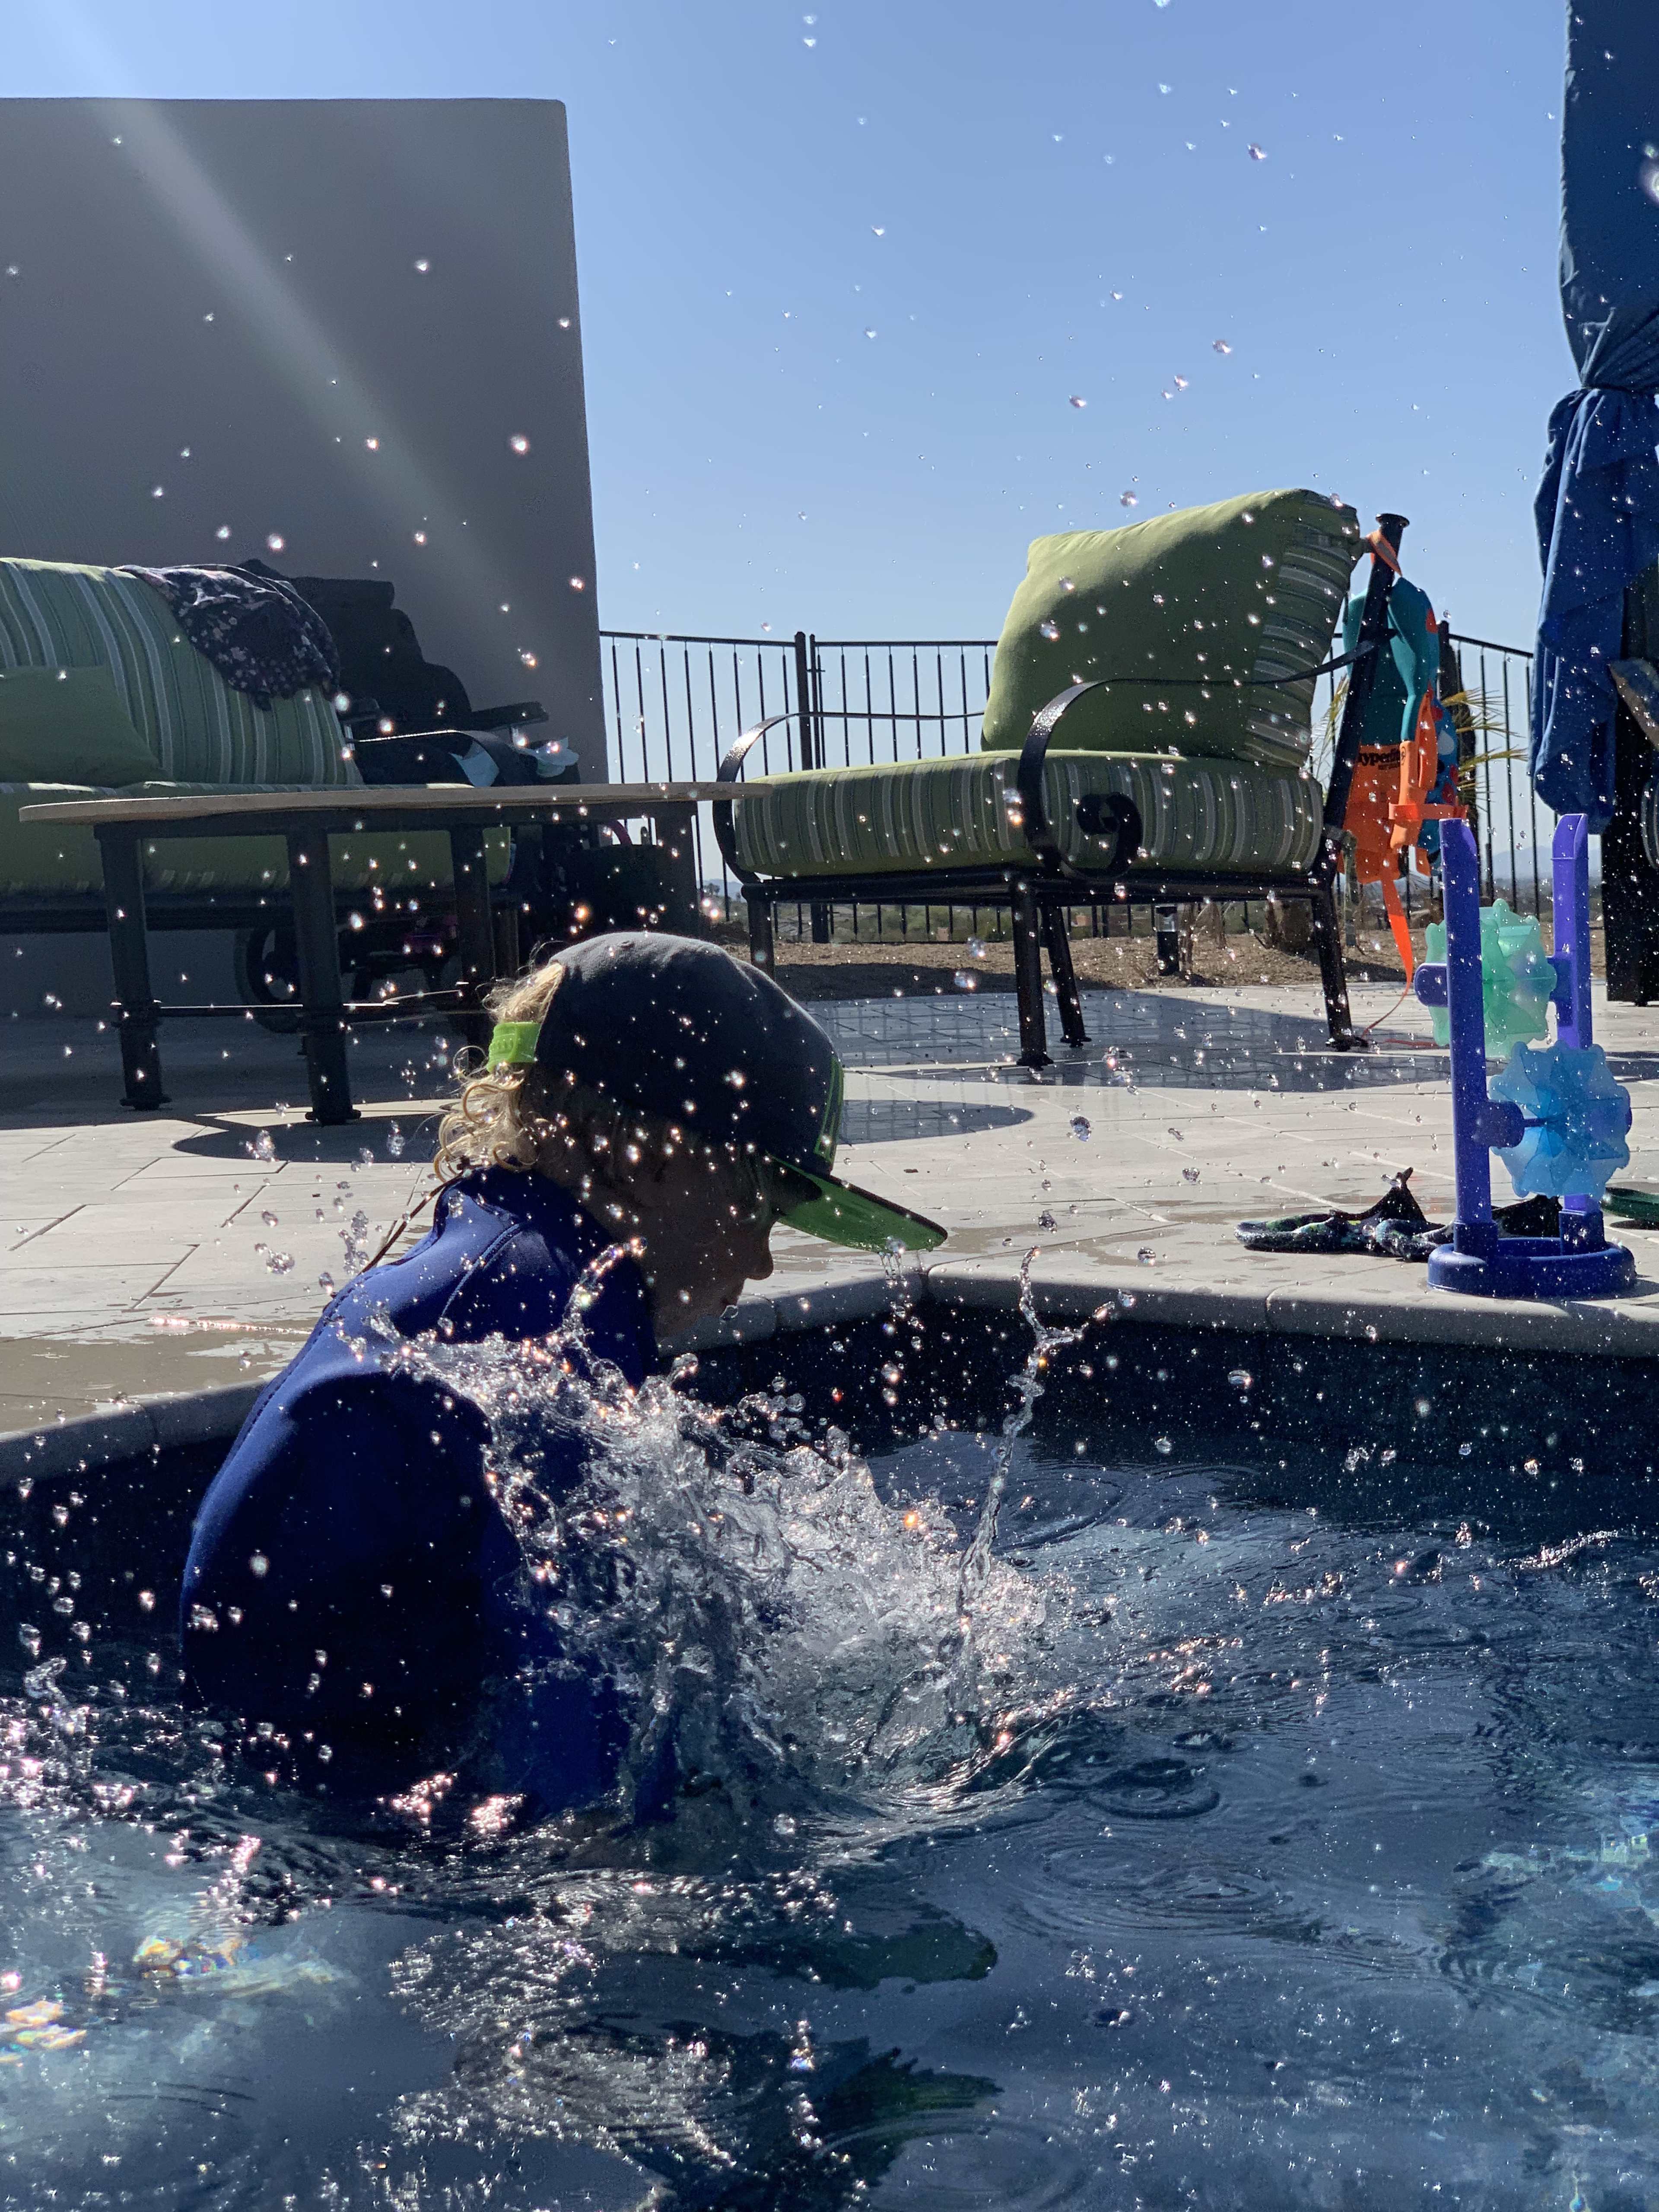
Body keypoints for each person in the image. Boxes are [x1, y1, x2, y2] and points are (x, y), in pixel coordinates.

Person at [180, 931, 944, 1808]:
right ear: (653, 1155)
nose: (763, 1263)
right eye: (758, 1210)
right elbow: (584, 1679)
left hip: (286, 1765)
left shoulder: (496, 1259)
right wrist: (630, 1879)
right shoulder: (552, 1313)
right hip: (347, 1822)